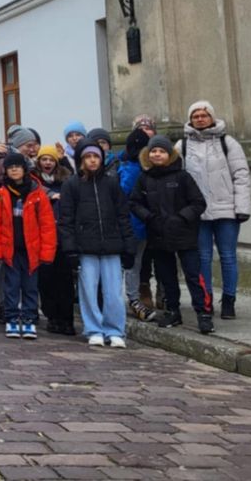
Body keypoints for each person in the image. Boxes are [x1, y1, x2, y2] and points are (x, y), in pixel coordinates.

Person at [130, 135, 213, 334]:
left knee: (193, 276)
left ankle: (203, 313)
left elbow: (198, 203)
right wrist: (148, 217)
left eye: (161, 151)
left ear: (169, 154)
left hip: (184, 234)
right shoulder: (144, 178)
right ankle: (173, 311)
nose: (157, 154)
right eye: (153, 151)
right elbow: (134, 203)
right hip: (158, 234)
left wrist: (181, 218)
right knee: (167, 277)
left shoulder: (183, 177)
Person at [178, 100, 250, 320]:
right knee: (203, 258)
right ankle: (206, 300)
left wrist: (242, 207)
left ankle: (229, 300)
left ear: (211, 116)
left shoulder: (228, 143)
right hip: (198, 214)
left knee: (228, 257)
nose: (200, 118)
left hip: (226, 210)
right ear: (190, 119)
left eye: (204, 114)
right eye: (196, 115)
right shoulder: (182, 146)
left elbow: (241, 175)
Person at [59, 139, 135, 348]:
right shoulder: (72, 185)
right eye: (88, 157)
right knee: (88, 291)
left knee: (113, 292)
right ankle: (94, 328)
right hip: (86, 247)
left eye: (96, 157)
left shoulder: (111, 183)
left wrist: (128, 245)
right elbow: (66, 220)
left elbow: (122, 216)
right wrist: (70, 249)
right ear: (81, 160)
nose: (92, 161)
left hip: (111, 246)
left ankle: (115, 330)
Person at [0, 152, 56, 340]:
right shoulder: (1, 195)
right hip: (10, 249)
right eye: (11, 167)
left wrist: (47, 252)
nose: (14, 170)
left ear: (24, 169)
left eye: (17, 166)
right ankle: (11, 318)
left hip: (31, 249)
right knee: (11, 286)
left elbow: (47, 225)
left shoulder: (37, 194)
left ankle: (29, 319)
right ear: (6, 171)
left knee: (30, 286)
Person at [34, 145, 75, 335]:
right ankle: (52, 317)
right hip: (43, 238)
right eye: (44, 159)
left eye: (51, 160)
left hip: (63, 237)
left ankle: (66, 319)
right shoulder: (34, 181)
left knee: (65, 281)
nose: (47, 163)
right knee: (46, 280)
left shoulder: (66, 180)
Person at [118, 127, 157, 322]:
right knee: (130, 264)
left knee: (132, 264)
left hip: (139, 224)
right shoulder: (131, 169)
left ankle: (131, 298)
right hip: (132, 224)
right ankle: (131, 298)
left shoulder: (124, 165)